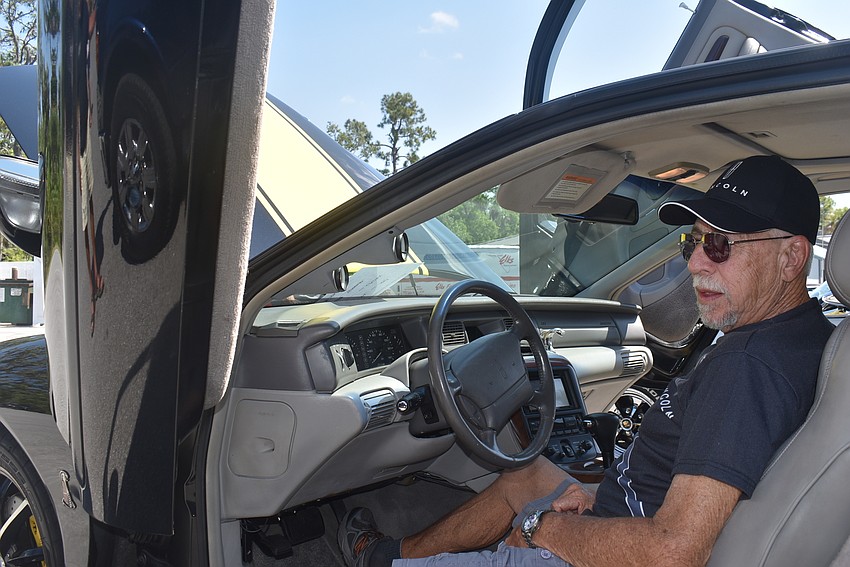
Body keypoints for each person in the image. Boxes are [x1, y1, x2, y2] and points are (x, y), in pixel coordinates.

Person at [338, 155, 835, 567]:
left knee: (528, 511)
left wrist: (545, 529)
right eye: (693, 241)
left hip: (612, 555)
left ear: (792, 258)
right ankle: (391, 554)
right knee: (524, 476)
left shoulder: (746, 368)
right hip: (629, 513)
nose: (695, 262)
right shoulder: (811, 339)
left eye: (719, 245)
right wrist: (596, 505)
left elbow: (674, 551)